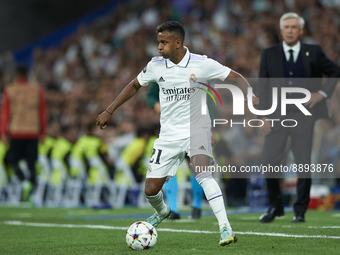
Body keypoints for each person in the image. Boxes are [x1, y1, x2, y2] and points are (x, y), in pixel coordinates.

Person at [97, 21, 258, 246]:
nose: (159, 47)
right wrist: (109, 110)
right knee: (151, 190)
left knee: (203, 174)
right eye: (159, 42)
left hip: (198, 130)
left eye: (164, 42)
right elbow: (134, 85)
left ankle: (225, 228)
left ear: (178, 43)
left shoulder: (202, 63)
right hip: (169, 136)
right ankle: (163, 211)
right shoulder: (155, 65)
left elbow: (235, 76)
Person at [257, 13, 340, 223]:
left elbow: (334, 71)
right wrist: (263, 115)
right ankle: (275, 206)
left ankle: (300, 210)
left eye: (294, 27)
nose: (290, 30)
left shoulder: (313, 52)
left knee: (303, 162)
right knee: (268, 161)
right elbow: (263, 86)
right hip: (276, 115)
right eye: (287, 26)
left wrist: (321, 95)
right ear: (281, 29)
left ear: (300, 30)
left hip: (304, 115)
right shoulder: (269, 53)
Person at [147, 81, 204, 220]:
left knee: (195, 165)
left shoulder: (191, 69)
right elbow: (151, 96)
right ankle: (173, 208)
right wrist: (156, 105)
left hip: (192, 125)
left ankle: (197, 206)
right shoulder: (161, 72)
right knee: (169, 166)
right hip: (170, 128)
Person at [1, 65, 47, 201]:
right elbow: (42, 113)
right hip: (33, 131)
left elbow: (5, 113)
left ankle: (24, 182)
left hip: (16, 131)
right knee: (31, 164)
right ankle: (31, 192)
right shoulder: (37, 90)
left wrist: (3, 132)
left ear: (16, 74)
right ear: (27, 74)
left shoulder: (10, 90)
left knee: (11, 160)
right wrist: (43, 132)